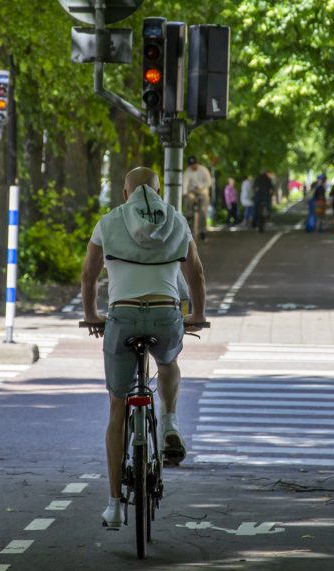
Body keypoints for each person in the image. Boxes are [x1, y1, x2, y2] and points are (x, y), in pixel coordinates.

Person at [81, 166, 208, 529]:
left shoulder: (107, 223)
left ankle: (114, 506)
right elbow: (196, 274)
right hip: (166, 315)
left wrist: (92, 315)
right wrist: (196, 314)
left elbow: (90, 274)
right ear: (159, 192)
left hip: (121, 318)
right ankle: (168, 422)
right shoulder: (177, 221)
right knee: (168, 362)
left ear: (125, 194)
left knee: (117, 406)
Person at [181, 155, 213, 241]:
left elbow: (209, 182)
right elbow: (185, 183)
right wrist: (184, 193)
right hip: (192, 191)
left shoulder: (204, 170)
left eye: (194, 164)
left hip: (203, 191)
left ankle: (202, 231)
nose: (193, 166)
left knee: (203, 210)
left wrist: (201, 186)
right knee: (189, 199)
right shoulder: (187, 172)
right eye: (191, 165)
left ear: (197, 163)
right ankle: (188, 216)